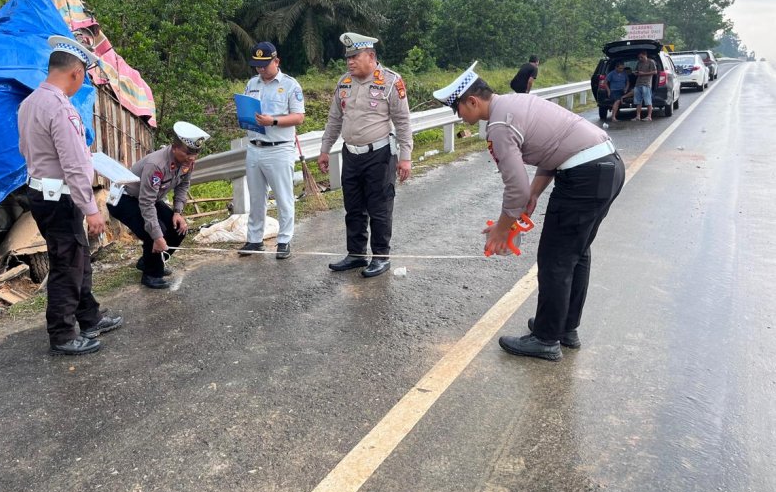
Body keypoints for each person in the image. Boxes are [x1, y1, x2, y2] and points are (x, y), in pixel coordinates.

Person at [433, 62, 625, 361]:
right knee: (576, 253)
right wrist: (536, 191)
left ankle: (546, 339)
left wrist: (501, 228)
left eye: (458, 110)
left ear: (472, 101)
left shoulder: (498, 126)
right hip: (607, 166)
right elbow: (555, 145)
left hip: (585, 177)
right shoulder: (515, 102)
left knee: (555, 259)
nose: (459, 117)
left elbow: (515, 190)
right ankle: (564, 327)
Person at [18, 36, 123, 356]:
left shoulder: (29, 102)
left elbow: (26, 150)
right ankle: (62, 333)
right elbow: (75, 165)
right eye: (85, 77)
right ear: (77, 73)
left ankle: (89, 317)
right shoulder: (62, 109)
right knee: (67, 263)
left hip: (40, 193)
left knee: (76, 259)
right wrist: (91, 208)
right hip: (60, 198)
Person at [317, 32, 413, 278]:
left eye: (355, 56)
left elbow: (402, 122)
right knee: (354, 208)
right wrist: (324, 150)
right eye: (347, 57)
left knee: (380, 208)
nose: (349, 62)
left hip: (379, 155)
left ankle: (381, 257)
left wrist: (406, 156)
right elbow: (334, 119)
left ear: (371, 56)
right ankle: (356, 254)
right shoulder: (344, 82)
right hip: (351, 154)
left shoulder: (390, 81)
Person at [108, 122, 209, 289]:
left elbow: (183, 185)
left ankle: (148, 263)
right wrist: (157, 236)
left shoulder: (187, 162)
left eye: (196, 153)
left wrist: (177, 212)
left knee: (178, 229)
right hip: (124, 199)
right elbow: (146, 204)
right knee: (156, 231)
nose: (192, 158)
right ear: (175, 148)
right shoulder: (156, 164)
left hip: (148, 198)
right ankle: (151, 275)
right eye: (188, 153)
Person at [237, 42, 305, 260]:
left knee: (284, 198)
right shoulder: (251, 84)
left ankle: (284, 240)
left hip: (279, 149)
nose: (261, 69)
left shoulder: (290, 85)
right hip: (255, 147)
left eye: (265, 65)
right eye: (257, 65)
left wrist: (273, 120)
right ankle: (255, 240)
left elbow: (299, 117)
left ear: (276, 61)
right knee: (256, 198)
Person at [633, 51, 656, 121]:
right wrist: (636, 73)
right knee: (638, 101)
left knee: (648, 101)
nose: (640, 58)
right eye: (639, 57)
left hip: (646, 83)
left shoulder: (651, 62)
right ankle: (638, 116)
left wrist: (644, 73)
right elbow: (637, 71)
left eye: (641, 57)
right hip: (638, 83)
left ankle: (649, 116)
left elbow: (655, 72)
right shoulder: (639, 63)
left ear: (645, 55)